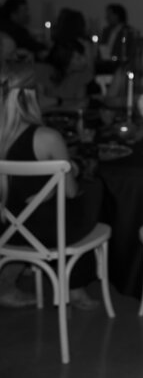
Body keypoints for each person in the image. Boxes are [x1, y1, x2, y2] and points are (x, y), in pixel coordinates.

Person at [0, 62, 102, 310]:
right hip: (44, 230)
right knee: (94, 191)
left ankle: (9, 279)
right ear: (30, 96)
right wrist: (74, 170)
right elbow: (70, 191)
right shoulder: (46, 137)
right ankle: (76, 289)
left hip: (6, 225)